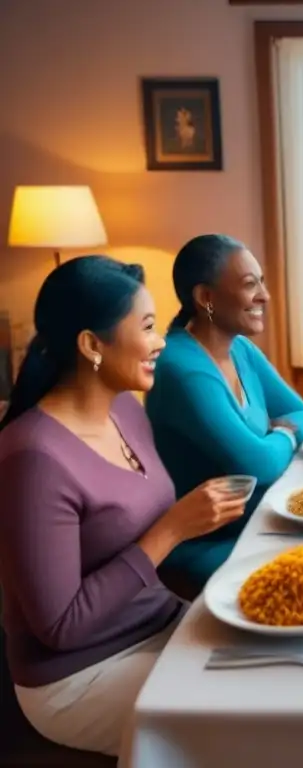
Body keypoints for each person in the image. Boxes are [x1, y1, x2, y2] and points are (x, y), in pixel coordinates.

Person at [0, 256, 247, 758]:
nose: (161, 343)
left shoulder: (126, 411)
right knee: (253, 720)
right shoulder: (33, 457)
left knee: (289, 669)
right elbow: (60, 626)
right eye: (149, 327)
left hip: (158, 625)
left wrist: (197, 518)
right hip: (78, 676)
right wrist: (171, 531)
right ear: (92, 344)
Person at [145, 235, 303, 595]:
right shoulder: (183, 368)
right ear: (206, 298)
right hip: (208, 544)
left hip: (260, 522)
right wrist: (283, 435)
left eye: (261, 283)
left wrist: (274, 437)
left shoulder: (240, 348)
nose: (264, 296)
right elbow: (259, 465)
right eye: (250, 285)